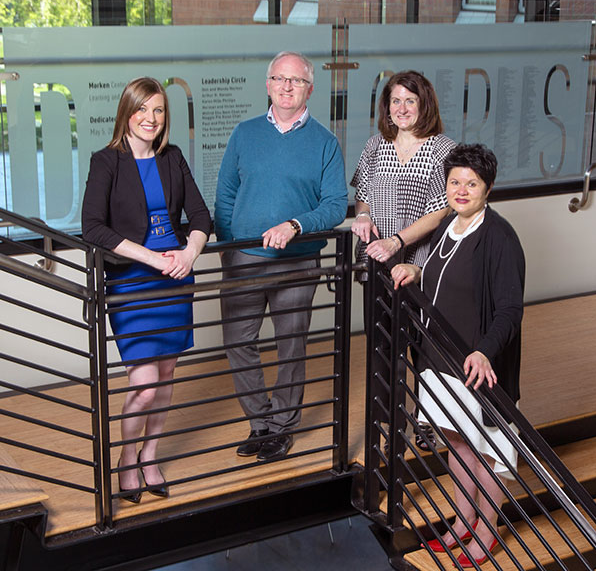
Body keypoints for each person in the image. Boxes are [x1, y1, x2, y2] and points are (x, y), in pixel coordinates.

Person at [391, 143, 525, 567]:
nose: (461, 190)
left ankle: (486, 533)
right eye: (455, 182)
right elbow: (440, 275)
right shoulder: (448, 223)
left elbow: (509, 310)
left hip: (477, 368)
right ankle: (462, 522)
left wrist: (485, 352)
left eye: (472, 183)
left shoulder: (500, 237)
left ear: (488, 188)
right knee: (456, 441)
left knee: (486, 449)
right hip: (438, 360)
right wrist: (415, 271)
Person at [82, 77, 211, 503]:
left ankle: (150, 456)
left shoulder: (172, 158)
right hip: (132, 281)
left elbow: (200, 215)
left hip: (175, 278)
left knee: (168, 375)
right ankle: (125, 459)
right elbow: (93, 228)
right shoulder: (107, 161)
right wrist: (154, 258)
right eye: (142, 110)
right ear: (127, 112)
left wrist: (190, 252)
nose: (150, 118)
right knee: (145, 385)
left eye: (158, 111)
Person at [214, 51, 348, 462]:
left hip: (298, 261)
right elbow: (224, 197)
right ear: (268, 84)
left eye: (296, 80)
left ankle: (281, 427)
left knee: (291, 345)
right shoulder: (244, 133)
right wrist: (230, 251)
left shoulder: (325, 142)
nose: (287, 86)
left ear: (310, 88)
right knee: (238, 342)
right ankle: (260, 423)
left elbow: (336, 205)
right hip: (245, 260)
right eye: (279, 78)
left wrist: (295, 225)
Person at [350, 70, 455, 450]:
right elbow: (362, 193)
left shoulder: (443, 149)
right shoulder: (375, 146)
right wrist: (362, 215)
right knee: (382, 351)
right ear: (386, 108)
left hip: (421, 265)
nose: (402, 108)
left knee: (423, 351)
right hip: (377, 263)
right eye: (395, 101)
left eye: (410, 100)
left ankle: (427, 423)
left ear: (424, 104)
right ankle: (387, 427)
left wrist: (398, 241)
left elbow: (440, 211)